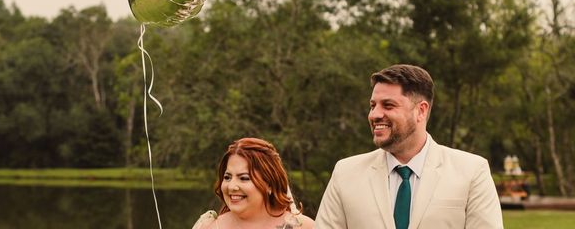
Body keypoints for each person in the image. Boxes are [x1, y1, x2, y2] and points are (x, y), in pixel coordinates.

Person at [315, 64, 503, 229]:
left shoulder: (472, 171)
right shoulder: (345, 173)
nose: (374, 115)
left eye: (388, 105)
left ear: (421, 111)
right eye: (373, 106)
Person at [192, 137, 315, 229]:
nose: (232, 186)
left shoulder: (304, 227)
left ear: (270, 184)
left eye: (244, 178)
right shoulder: (209, 227)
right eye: (227, 177)